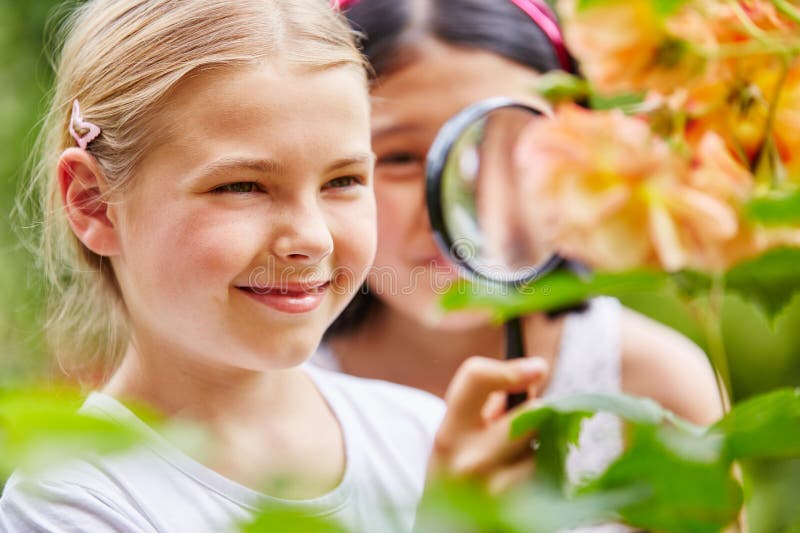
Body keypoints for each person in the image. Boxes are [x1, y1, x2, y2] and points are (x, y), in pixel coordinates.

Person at [0, 1, 552, 531]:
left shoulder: (421, 432)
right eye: (242, 186)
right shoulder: (70, 503)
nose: (310, 239)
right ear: (94, 203)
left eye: (343, 181)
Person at [319, 0, 724, 485]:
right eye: (402, 157)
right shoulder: (270, 386)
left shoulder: (659, 387)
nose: (459, 203)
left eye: (509, 148)